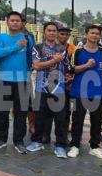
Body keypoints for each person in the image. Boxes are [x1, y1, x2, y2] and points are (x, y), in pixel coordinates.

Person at [27, 22, 70, 157]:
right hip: (42, 88)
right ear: (44, 32)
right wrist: (54, 60)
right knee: (39, 117)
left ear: (57, 33)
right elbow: (37, 66)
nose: (51, 33)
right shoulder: (37, 47)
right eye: (49, 30)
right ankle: (37, 141)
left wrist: (68, 76)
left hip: (59, 89)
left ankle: (61, 146)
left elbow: (67, 67)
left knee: (61, 119)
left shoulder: (63, 49)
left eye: (54, 31)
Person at [0, 12, 33, 153]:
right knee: (1, 112)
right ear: (7, 22)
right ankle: (1, 138)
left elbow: (29, 59)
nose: (15, 23)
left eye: (18, 20)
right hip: (4, 78)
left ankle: (19, 140)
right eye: (12, 20)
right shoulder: (1, 37)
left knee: (21, 113)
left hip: (22, 80)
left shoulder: (28, 38)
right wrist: (17, 47)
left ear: (22, 23)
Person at [67, 25, 102, 159]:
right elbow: (72, 70)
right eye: (92, 33)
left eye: (97, 34)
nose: (94, 36)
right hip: (80, 92)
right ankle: (75, 145)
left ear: (100, 36)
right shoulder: (78, 51)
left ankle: (94, 147)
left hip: (97, 93)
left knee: (97, 121)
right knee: (77, 120)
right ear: (86, 34)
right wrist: (86, 65)